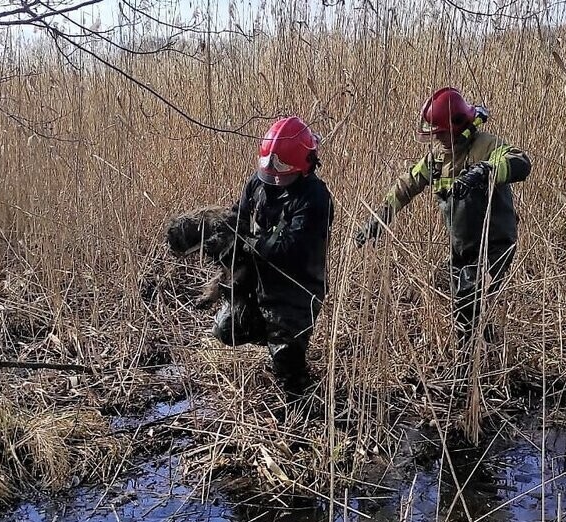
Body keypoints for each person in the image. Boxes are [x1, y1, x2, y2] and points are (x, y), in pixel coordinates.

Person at [355, 87, 531, 349]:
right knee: (455, 293)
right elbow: (407, 184)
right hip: (461, 244)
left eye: (441, 133)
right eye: (435, 134)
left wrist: (485, 171)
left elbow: (520, 162)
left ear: (458, 125)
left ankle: (469, 361)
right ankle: (487, 343)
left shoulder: (486, 146)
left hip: (493, 243)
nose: (438, 139)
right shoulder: (437, 158)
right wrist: (380, 217)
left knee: (468, 296)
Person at [213, 116, 334, 399]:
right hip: (259, 281)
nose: (276, 178)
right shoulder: (258, 183)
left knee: (287, 364)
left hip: (298, 287)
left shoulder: (315, 198)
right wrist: (222, 236)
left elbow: (289, 248)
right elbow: (237, 216)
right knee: (226, 329)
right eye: (271, 170)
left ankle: (298, 386)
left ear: (304, 165)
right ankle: (272, 335)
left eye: (283, 171)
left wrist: (246, 245)